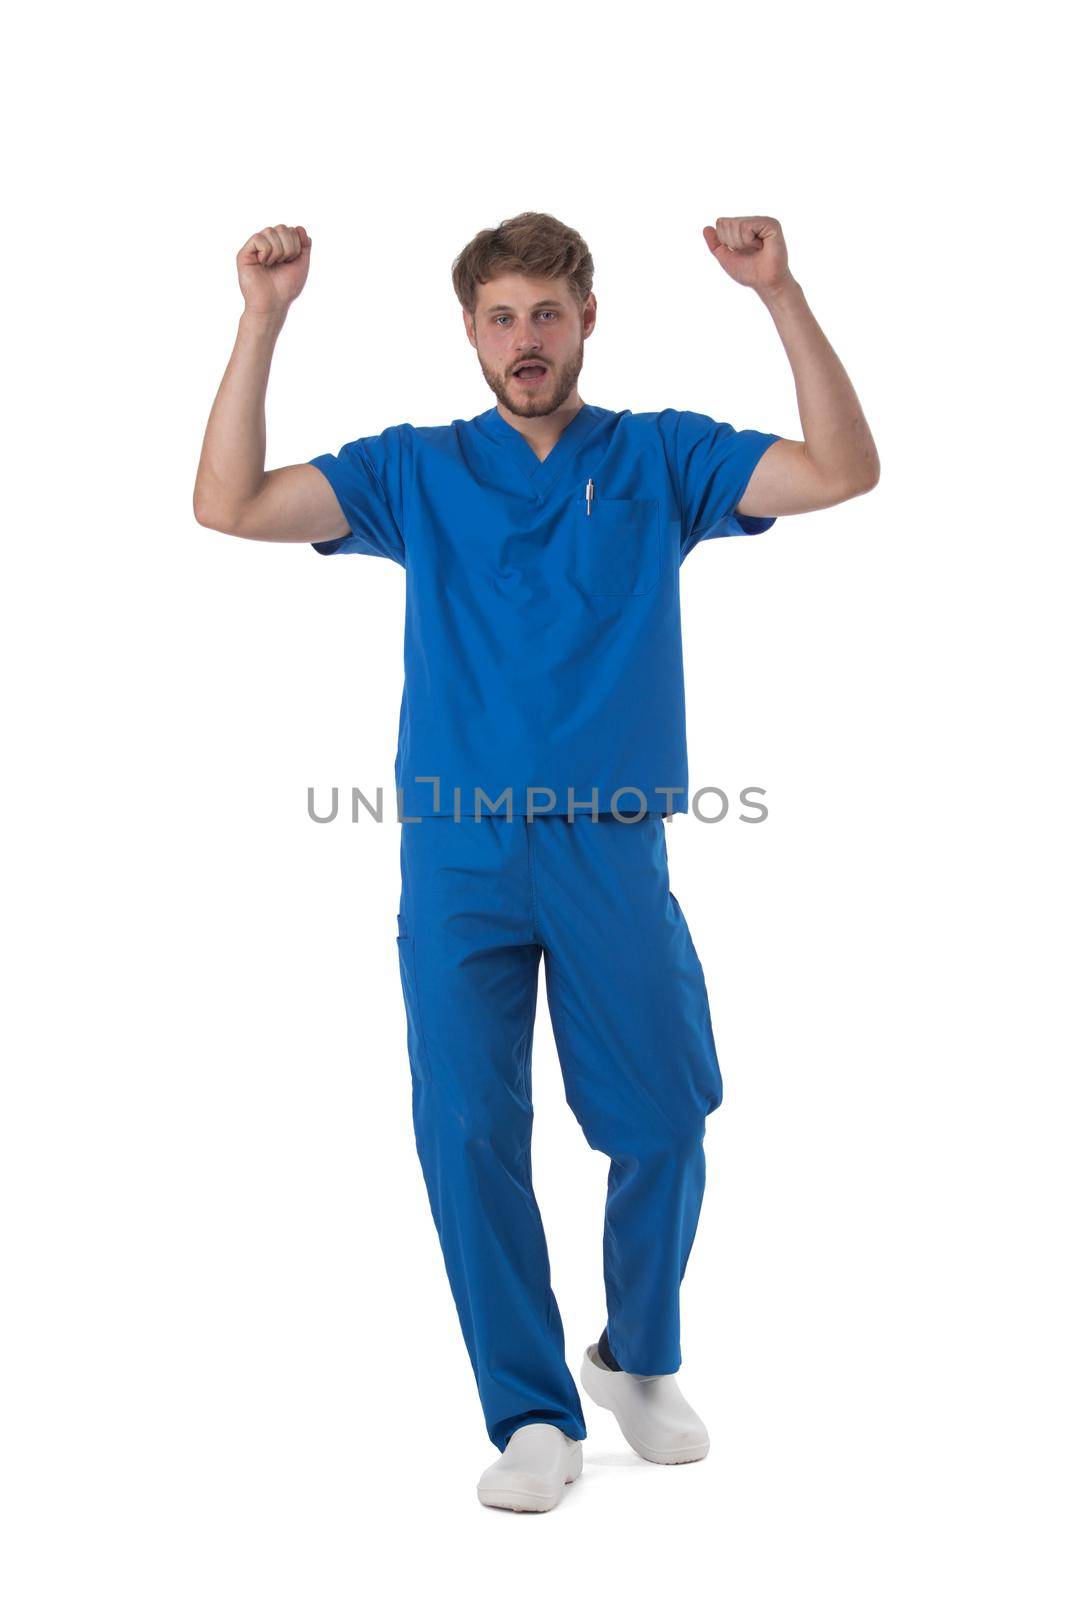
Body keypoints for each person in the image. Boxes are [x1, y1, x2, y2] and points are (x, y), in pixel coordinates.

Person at [194, 210, 879, 1513]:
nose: (525, 341)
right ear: (469, 331)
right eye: (501, 317)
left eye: (546, 315)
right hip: (455, 850)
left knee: (667, 1116)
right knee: (467, 1131)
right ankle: (530, 1413)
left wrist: (779, 296)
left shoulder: (664, 457)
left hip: (609, 844)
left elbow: (843, 471)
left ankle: (637, 1352)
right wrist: (263, 319)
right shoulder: (417, 471)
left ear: (587, 322)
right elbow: (227, 504)